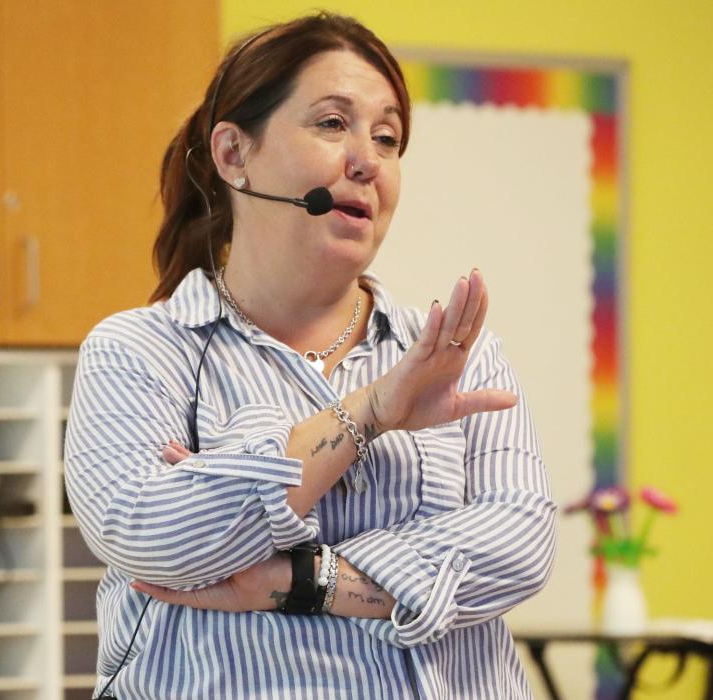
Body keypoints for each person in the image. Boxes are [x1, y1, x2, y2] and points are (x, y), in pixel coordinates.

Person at [65, 12, 556, 699]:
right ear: (234, 155)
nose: (367, 160)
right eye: (332, 124)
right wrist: (371, 410)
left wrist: (297, 579)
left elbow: (520, 547)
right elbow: (157, 540)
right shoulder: (140, 351)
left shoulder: (459, 355)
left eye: (387, 138)